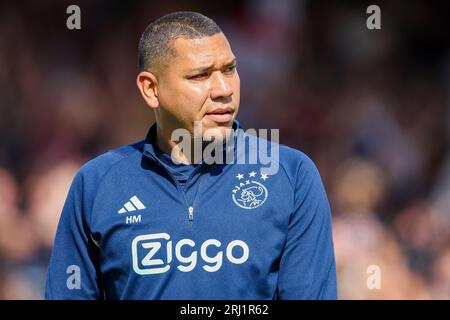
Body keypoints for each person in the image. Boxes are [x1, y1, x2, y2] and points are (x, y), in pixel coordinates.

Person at [45, 11, 337, 300]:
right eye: (200, 75)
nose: (223, 90)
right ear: (151, 89)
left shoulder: (291, 175)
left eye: (230, 69)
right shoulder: (97, 184)